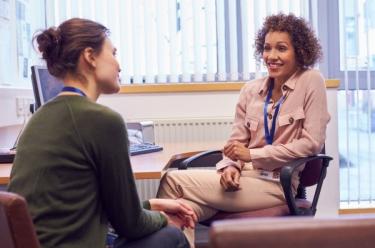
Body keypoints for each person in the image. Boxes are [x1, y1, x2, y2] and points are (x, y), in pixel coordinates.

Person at [8, 18, 196, 248]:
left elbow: (94, 210)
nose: (119, 65)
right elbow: (131, 225)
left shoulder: (38, 119)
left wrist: (152, 206)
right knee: (173, 236)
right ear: (90, 56)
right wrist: (163, 219)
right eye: (113, 53)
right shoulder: (102, 120)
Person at [157, 13, 330, 247]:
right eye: (267, 48)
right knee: (183, 210)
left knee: (172, 181)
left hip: (278, 183)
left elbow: (311, 143)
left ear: (299, 51)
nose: (272, 56)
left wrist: (252, 155)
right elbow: (236, 143)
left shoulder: (311, 81)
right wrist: (230, 166)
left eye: (281, 48)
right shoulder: (251, 90)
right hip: (243, 181)